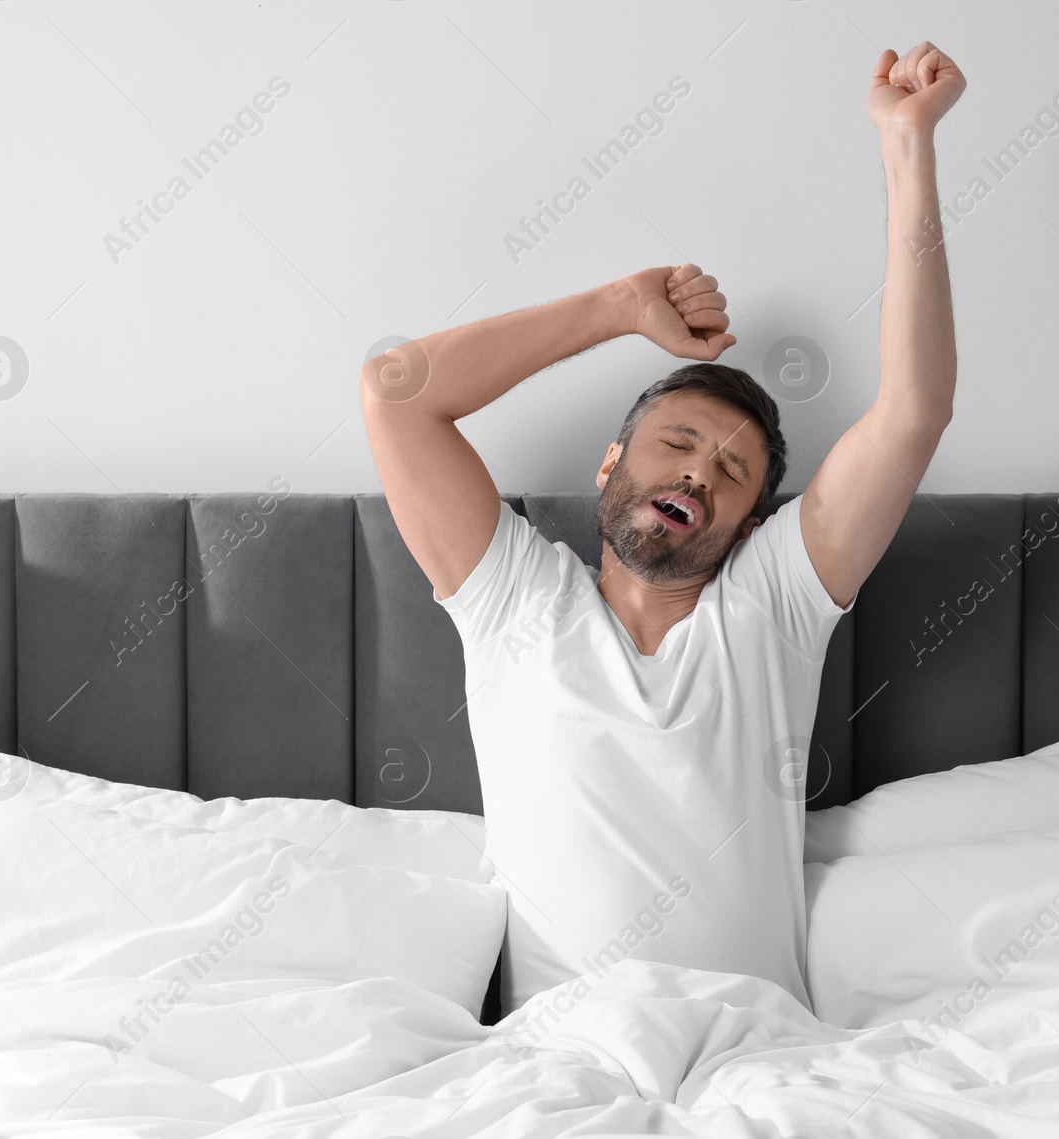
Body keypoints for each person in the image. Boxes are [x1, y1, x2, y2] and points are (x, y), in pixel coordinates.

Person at [361, 42, 964, 1017]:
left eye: (730, 471)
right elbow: (394, 393)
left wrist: (907, 147)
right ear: (610, 465)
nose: (697, 470)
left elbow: (912, 412)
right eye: (677, 443)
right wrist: (614, 307)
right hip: (558, 1062)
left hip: (753, 1059)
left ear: (750, 522)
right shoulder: (516, 596)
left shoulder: (770, 606)